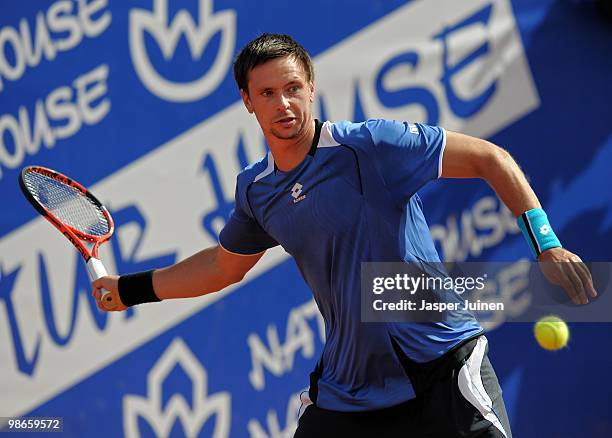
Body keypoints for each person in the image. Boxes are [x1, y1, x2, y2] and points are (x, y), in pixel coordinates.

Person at [92, 33, 596, 437]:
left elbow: (490, 158)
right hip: (353, 390)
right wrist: (129, 290)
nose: (283, 103)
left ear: (311, 86)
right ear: (247, 102)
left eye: (292, 88)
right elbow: (223, 266)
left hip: (441, 366)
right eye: (267, 93)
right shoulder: (257, 190)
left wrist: (546, 242)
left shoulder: (372, 146)